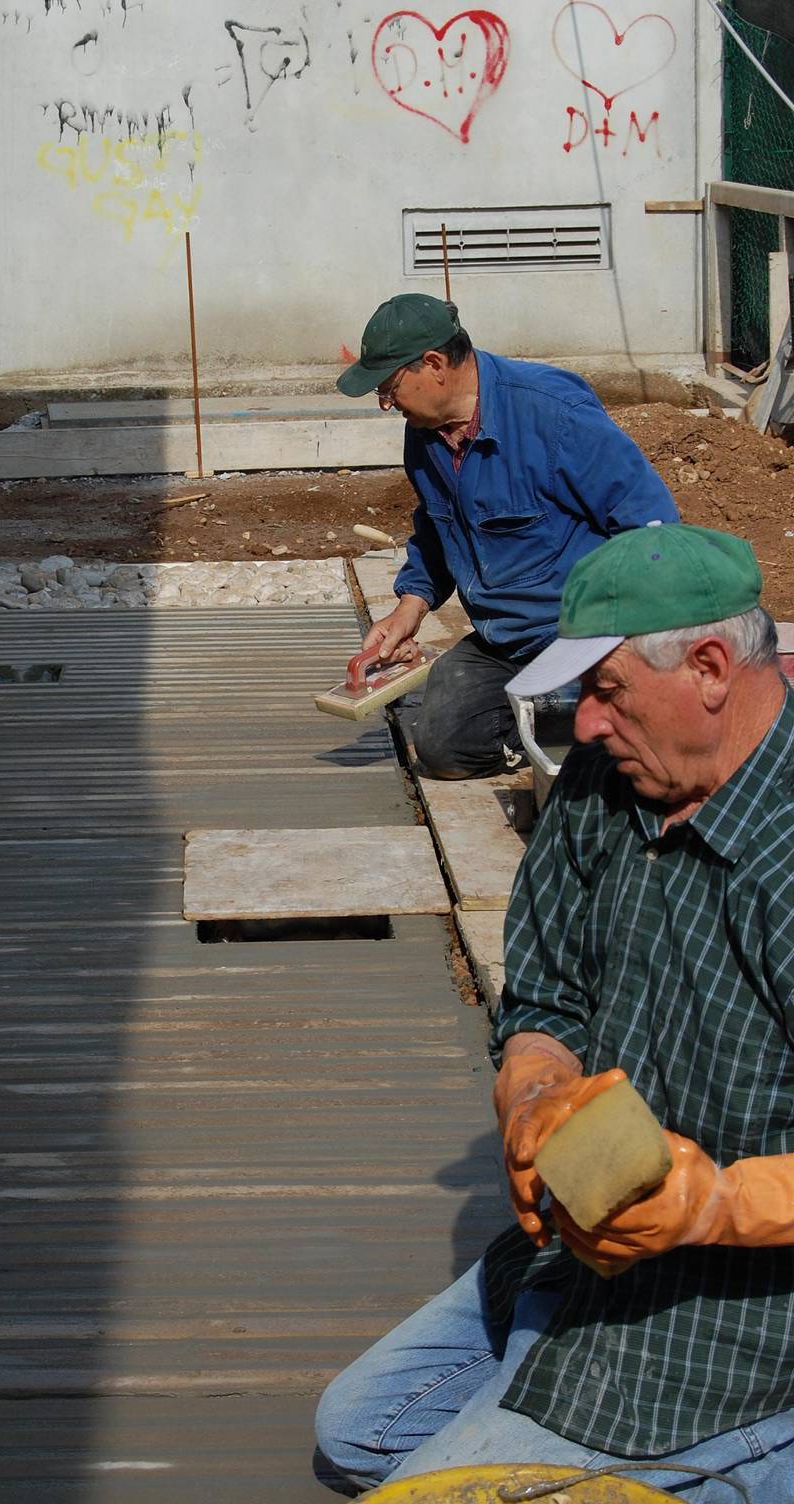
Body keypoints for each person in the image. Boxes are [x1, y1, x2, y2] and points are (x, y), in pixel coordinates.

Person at [315, 523, 794, 1500]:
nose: (583, 724)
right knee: (356, 1434)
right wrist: (536, 1088)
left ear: (709, 666)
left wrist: (713, 1204)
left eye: (607, 691)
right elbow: (544, 991)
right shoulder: (611, 776)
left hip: (752, 1310)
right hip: (592, 1244)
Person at [337, 294, 679, 778]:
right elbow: (436, 527)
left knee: (627, 738)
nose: (385, 404)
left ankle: (581, 725)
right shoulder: (426, 433)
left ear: (434, 365)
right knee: (442, 747)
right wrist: (408, 607)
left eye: (389, 389)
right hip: (506, 640)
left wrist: (638, 644)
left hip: (584, 635)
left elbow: (652, 529)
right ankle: (552, 728)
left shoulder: (554, 414)